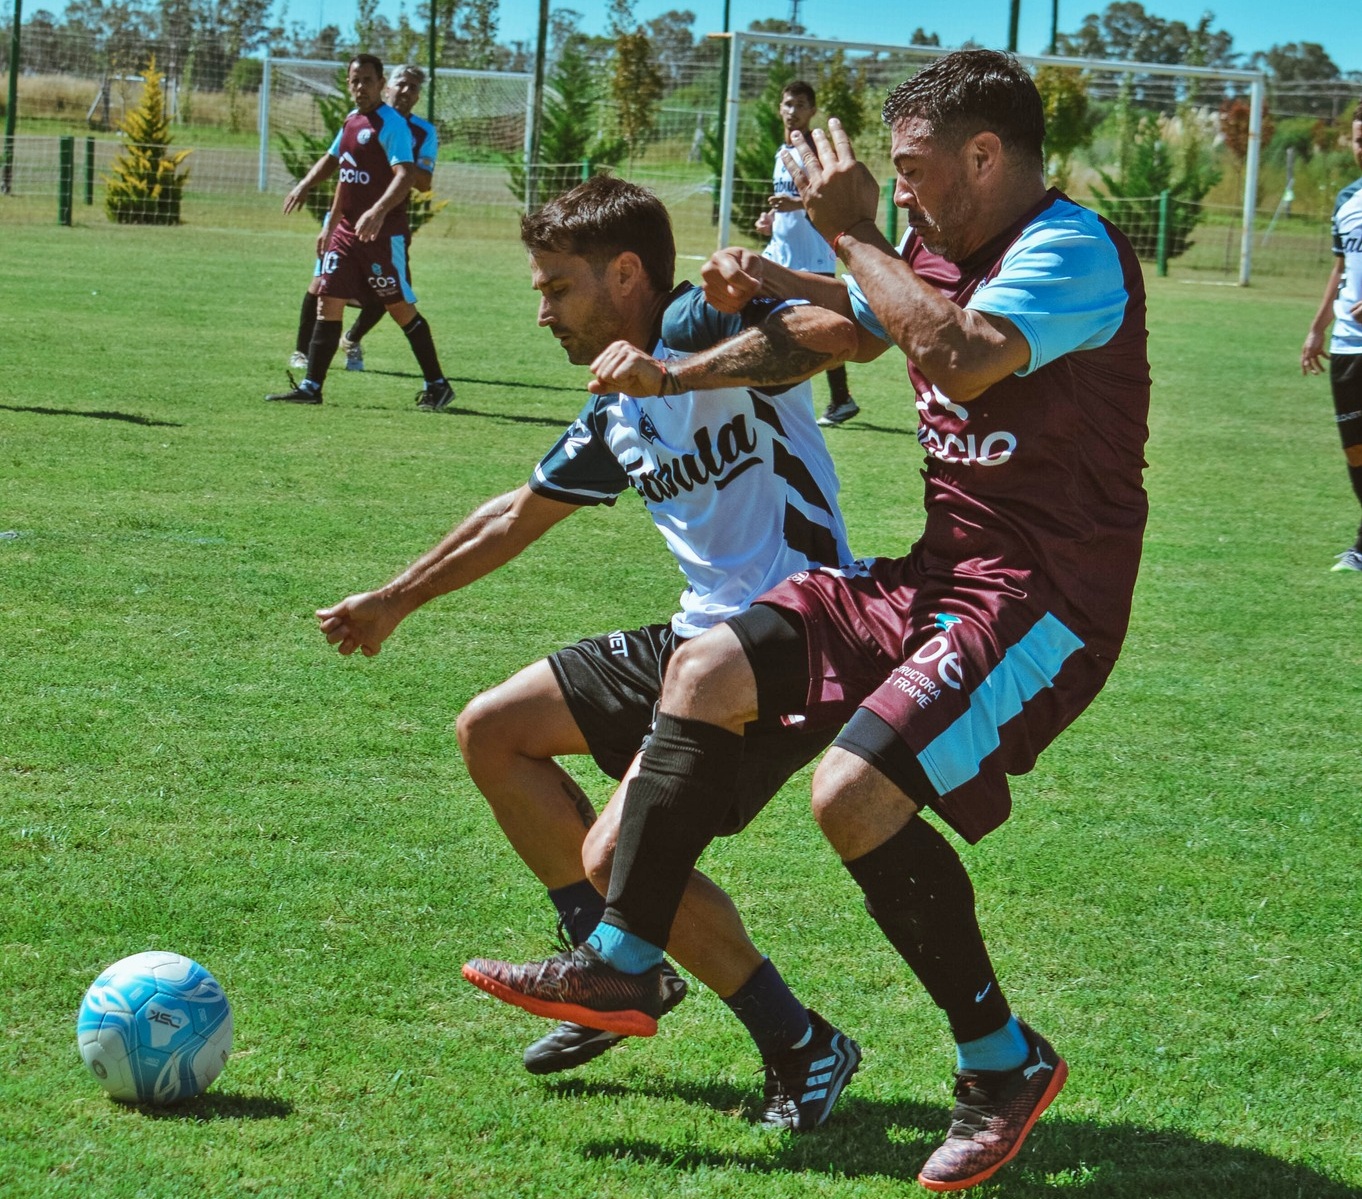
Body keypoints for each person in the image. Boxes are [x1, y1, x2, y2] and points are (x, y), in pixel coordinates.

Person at [463, 50, 1151, 1193]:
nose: (903, 188)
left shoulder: (1068, 249)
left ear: (986, 155)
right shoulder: (940, 247)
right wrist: (738, 325)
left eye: (915, 168)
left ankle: (1000, 1058)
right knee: (707, 668)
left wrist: (851, 232)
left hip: (1044, 597)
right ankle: (622, 956)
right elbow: (860, 330)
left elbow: (961, 358)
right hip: (941, 571)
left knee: (852, 793)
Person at [318, 176, 865, 1129]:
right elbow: (515, 515)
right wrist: (394, 600)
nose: (543, 312)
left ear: (626, 275)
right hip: (700, 635)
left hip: (796, 637)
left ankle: (799, 1041)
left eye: (558, 288)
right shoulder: (616, 403)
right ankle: (614, 969)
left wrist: (683, 370)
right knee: (493, 731)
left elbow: (838, 335)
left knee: (619, 857)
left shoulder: (696, 322)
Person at [268, 54, 454, 412]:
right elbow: (343, 172)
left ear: (380, 84)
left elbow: (406, 175)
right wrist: (321, 209)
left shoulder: (392, 124)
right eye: (354, 80)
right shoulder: (352, 121)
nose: (360, 87)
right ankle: (311, 387)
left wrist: (378, 211)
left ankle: (437, 384)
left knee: (399, 308)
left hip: (382, 235)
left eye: (367, 80)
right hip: (346, 233)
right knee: (327, 299)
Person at [757, 80, 859, 428]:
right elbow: (786, 205)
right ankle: (774, 394)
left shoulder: (815, 151)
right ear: (779, 108)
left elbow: (829, 199)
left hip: (813, 256)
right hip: (781, 253)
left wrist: (795, 204)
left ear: (812, 110)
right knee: (766, 317)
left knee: (822, 329)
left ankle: (840, 399)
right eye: (788, 104)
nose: (793, 111)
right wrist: (771, 220)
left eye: (801, 105)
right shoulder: (780, 153)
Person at [1300, 100, 1362, 573]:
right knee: (1356, 449)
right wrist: (1316, 328)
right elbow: (1340, 269)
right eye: (1359, 140)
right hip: (1346, 342)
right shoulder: (1347, 200)